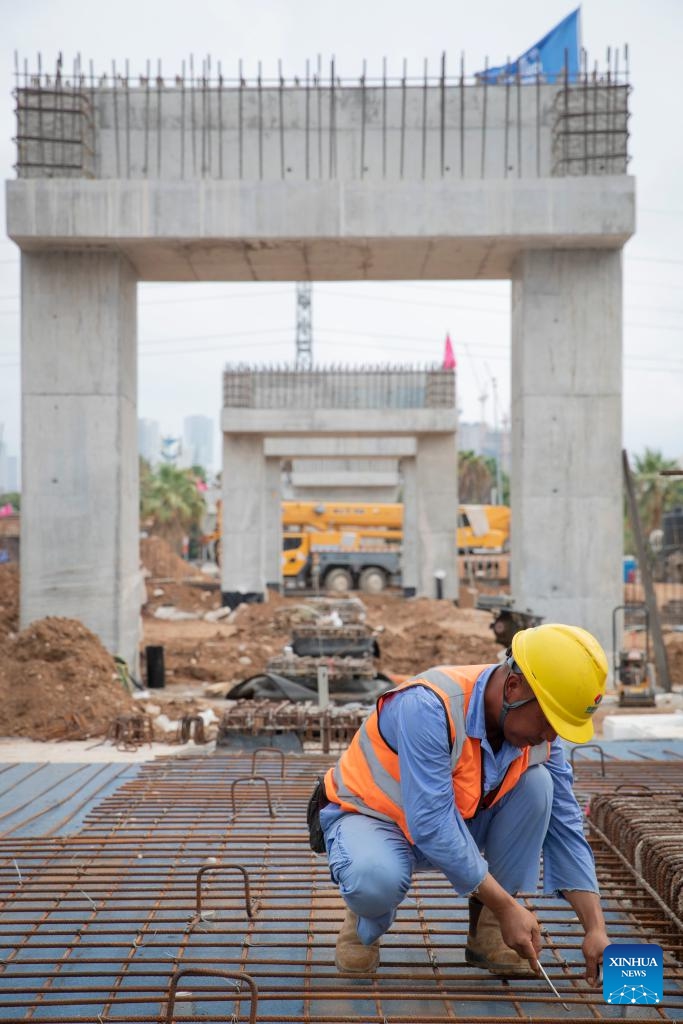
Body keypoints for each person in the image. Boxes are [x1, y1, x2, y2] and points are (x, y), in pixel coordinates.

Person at [313, 622, 610, 984]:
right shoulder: (428, 705)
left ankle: (488, 930)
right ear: (514, 688)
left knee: (538, 785)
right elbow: (431, 824)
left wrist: (595, 927)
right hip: (374, 818)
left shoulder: (539, 735)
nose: (550, 735)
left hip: (454, 822)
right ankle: (364, 922)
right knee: (373, 879)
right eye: (549, 721)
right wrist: (509, 907)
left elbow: (565, 825)